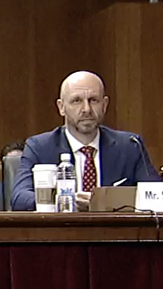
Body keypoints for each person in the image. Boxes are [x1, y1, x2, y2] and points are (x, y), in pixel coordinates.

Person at [11, 70, 161, 211]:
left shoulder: (129, 146)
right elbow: (19, 198)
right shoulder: (40, 147)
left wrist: (104, 203)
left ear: (105, 105)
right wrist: (66, 201)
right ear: (61, 107)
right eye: (76, 101)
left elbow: (157, 196)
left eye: (93, 100)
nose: (86, 109)